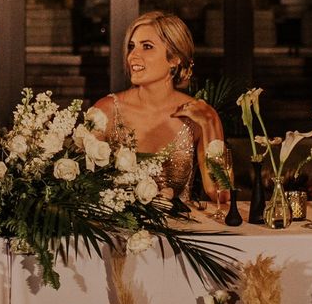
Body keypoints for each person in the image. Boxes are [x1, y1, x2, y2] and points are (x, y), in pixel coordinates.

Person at [91, 10, 224, 203]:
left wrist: (210, 122)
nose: (132, 56)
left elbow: (220, 193)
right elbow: (78, 187)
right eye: (131, 46)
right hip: (118, 231)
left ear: (174, 59)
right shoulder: (106, 110)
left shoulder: (199, 115)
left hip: (180, 231)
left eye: (147, 46)